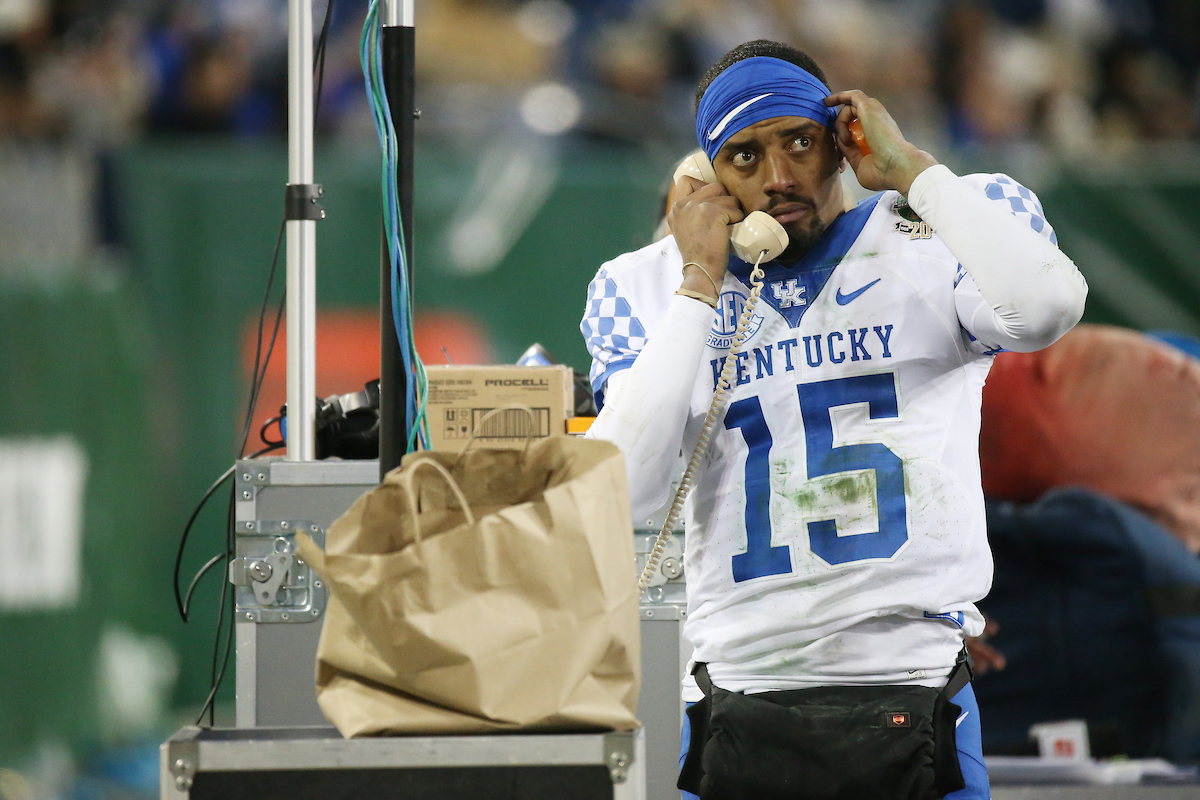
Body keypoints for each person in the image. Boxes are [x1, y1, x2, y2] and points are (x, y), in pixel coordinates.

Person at [580, 39, 1087, 799]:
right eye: (745, 157)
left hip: (913, 682)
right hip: (736, 691)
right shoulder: (644, 287)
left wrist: (914, 169)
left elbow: (1046, 307)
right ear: (709, 179)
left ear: (842, 137)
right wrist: (698, 284)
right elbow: (621, 495)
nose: (780, 178)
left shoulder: (939, 225)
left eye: (799, 142)